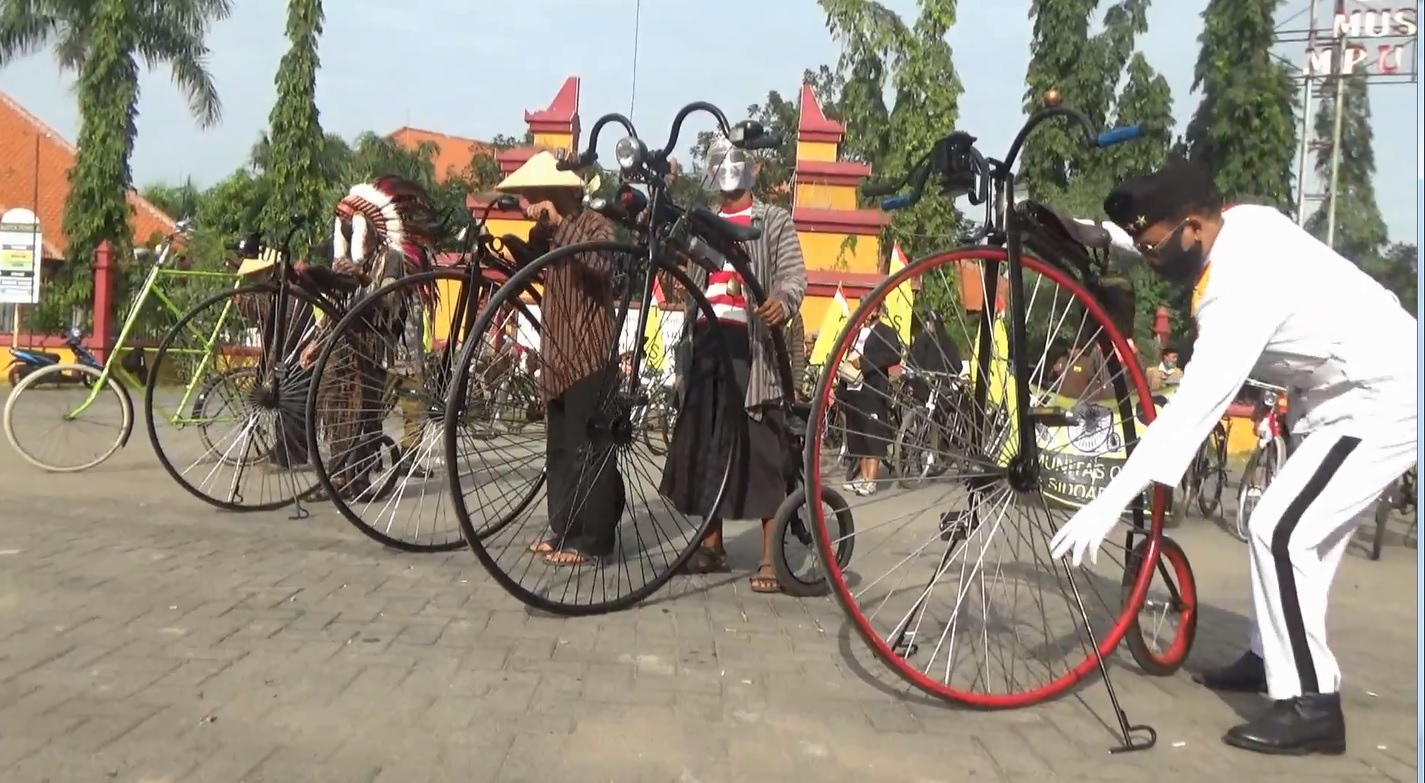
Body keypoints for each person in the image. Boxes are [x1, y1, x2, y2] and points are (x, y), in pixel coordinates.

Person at [1048, 156, 1417, 756]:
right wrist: (1096, 231)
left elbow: (1186, 418)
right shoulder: (1235, 222)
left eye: (1153, 246)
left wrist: (1109, 502)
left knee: (1282, 529)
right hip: (1332, 396)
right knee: (1300, 538)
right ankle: (1275, 658)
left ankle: (1312, 708)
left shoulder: (1237, 290)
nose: (1151, 258)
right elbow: (1156, 231)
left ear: (1193, 227)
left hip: (1382, 395)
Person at [659, 136, 807, 593]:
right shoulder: (704, 223)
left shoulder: (773, 220)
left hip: (753, 346)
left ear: (753, 171)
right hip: (707, 341)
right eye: (719, 162)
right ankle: (710, 544)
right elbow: (678, 268)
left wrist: (781, 302)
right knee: (706, 444)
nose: (728, 172)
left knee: (761, 448)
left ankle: (771, 555)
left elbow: (794, 276)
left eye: (735, 162)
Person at [497, 151, 624, 566]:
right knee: (560, 450)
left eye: (543, 195)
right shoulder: (550, 232)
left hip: (589, 354)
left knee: (592, 449)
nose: (536, 203)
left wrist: (562, 227)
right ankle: (565, 528)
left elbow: (601, 266)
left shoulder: (594, 225)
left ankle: (594, 540)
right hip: (556, 355)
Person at [841, 305, 902, 496]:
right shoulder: (858, 332)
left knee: (872, 435)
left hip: (872, 388)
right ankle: (863, 476)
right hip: (853, 388)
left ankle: (871, 481)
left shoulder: (886, 332)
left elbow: (894, 355)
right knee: (858, 436)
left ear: (879, 311)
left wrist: (866, 362)